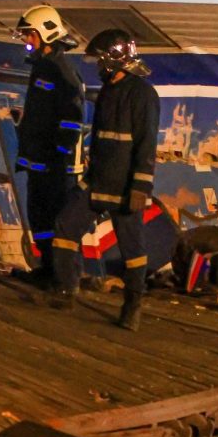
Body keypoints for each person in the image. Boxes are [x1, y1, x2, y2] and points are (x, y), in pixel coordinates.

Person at [50, 28, 159, 331]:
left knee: (132, 250)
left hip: (125, 188)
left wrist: (141, 186)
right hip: (97, 182)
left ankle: (132, 307)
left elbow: (147, 144)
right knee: (65, 225)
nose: (98, 66)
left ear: (114, 59)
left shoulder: (143, 94)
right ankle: (65, 290)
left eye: (100, 60)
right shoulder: (109, 91)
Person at [13, 5, 84, 284]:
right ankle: (46, 268)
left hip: (55, 166)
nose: (26, 41)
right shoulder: (43, 68)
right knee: (39, 217)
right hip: (39, 163)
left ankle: (64, 278)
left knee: (57, 221)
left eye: (30, 35)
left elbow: (72, 118)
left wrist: (59, 153)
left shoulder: (61, 71)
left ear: (46, 34)